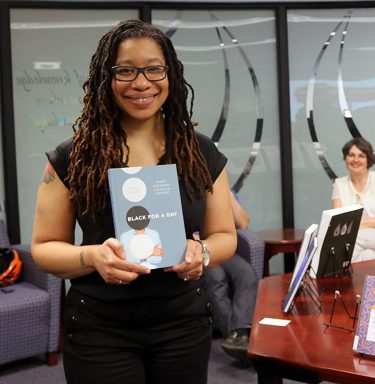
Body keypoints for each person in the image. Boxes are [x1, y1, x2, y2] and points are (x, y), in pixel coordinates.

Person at [31, 19, 237, 384]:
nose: (141, 83)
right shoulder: (72, 157)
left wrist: (200, 252)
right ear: (105, 79)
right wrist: (92, 257)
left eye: (154, 69)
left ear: (169, 74)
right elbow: (44, 248)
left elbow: (224, 234)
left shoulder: (199, 151)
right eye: (125, 70)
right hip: (100, 330)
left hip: (183, 325)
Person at [201, 190, 257, 363]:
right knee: (216, 278)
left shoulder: (223, 190)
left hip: (224, 251)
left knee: (247, 273)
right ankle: (236, 336)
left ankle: (240, 334)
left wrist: (227, 195)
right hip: (201, 249)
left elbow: (243, 222)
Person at [331, 137, 375, 262]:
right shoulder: (339, 184)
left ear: (368, 159)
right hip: (360, 242)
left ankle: (325, 276)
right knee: (369, 256)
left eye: (361, 156)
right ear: (345, 159)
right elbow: (338, 222)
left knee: (353, 238)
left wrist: (358, 225)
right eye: (351, 155)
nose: (356, 160)